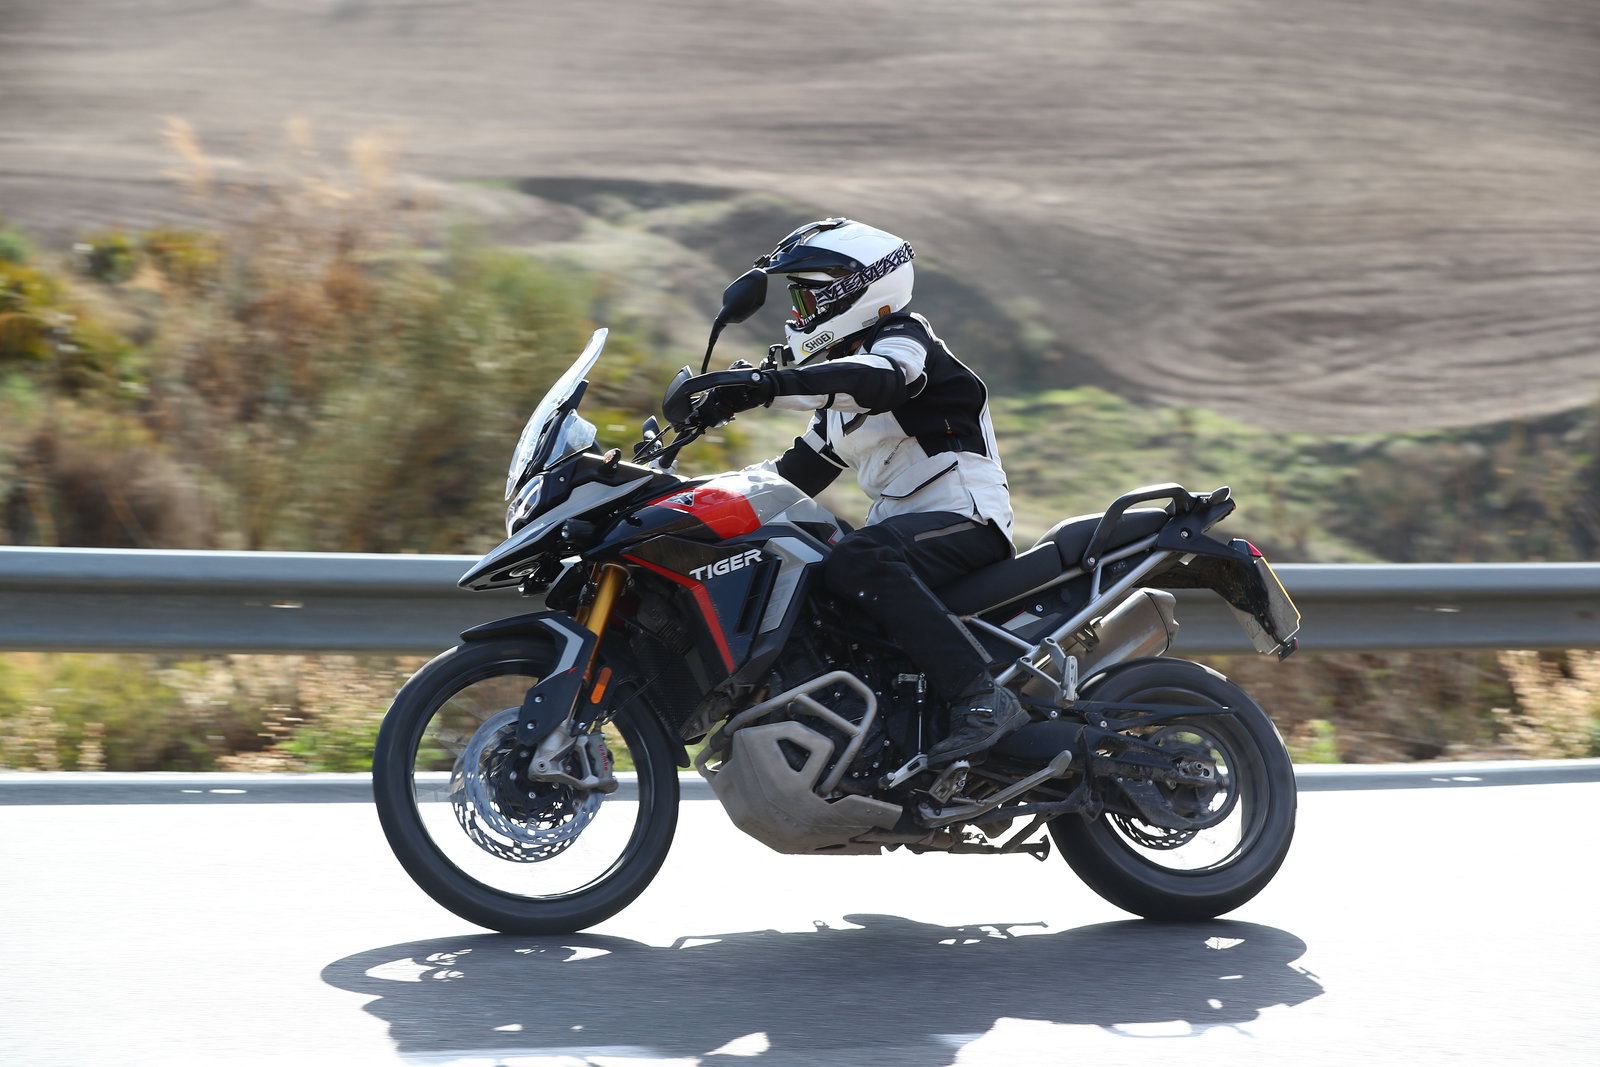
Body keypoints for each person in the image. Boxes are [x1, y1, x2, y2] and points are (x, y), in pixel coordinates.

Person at [690, 218, 1027, 765]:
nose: (797, 314)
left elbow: (883, 379)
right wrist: (690, 500)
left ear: (853, 288)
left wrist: (766, 385)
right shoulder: (839, 403)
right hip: (901, 531)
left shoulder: (903, 341)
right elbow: (787, 480)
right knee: (798, 568)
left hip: (965, 518)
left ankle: (981, 698)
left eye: (807, 296)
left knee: (857, 558)